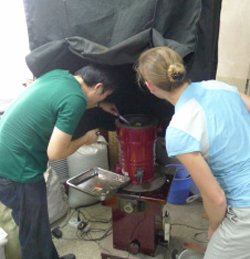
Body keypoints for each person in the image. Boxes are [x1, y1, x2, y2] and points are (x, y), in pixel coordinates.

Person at [134, 46, 250, 259]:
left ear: (150, 87)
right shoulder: (219, 86)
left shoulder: (180, 129)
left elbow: (216, 199)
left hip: (245, 207)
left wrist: (215, 228)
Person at [0, 64, 119, 259]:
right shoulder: (76, 100)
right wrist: (86, 139)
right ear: (98, 86)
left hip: (5, 155)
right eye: (104, 96)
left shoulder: (59, 75)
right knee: (33, 232)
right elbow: (55, 153)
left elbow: (47, 94)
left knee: (36, 224)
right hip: (17, 169)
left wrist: (99, 105)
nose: (103, 100)